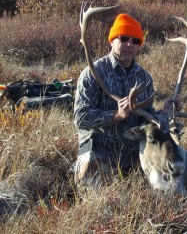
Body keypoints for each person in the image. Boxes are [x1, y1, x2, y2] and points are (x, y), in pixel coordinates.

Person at [74, 13, 180, 188]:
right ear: (112, 41)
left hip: (131, 151)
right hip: (97, 148)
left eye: (135, 41)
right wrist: (115, 115)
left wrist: (164, 112)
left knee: (162, 181)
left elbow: (146, 118)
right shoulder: (92, 73)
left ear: (139, 46)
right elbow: (80, 118)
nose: (129, 45)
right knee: (90, 185)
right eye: (124, 39)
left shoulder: (144, 77)